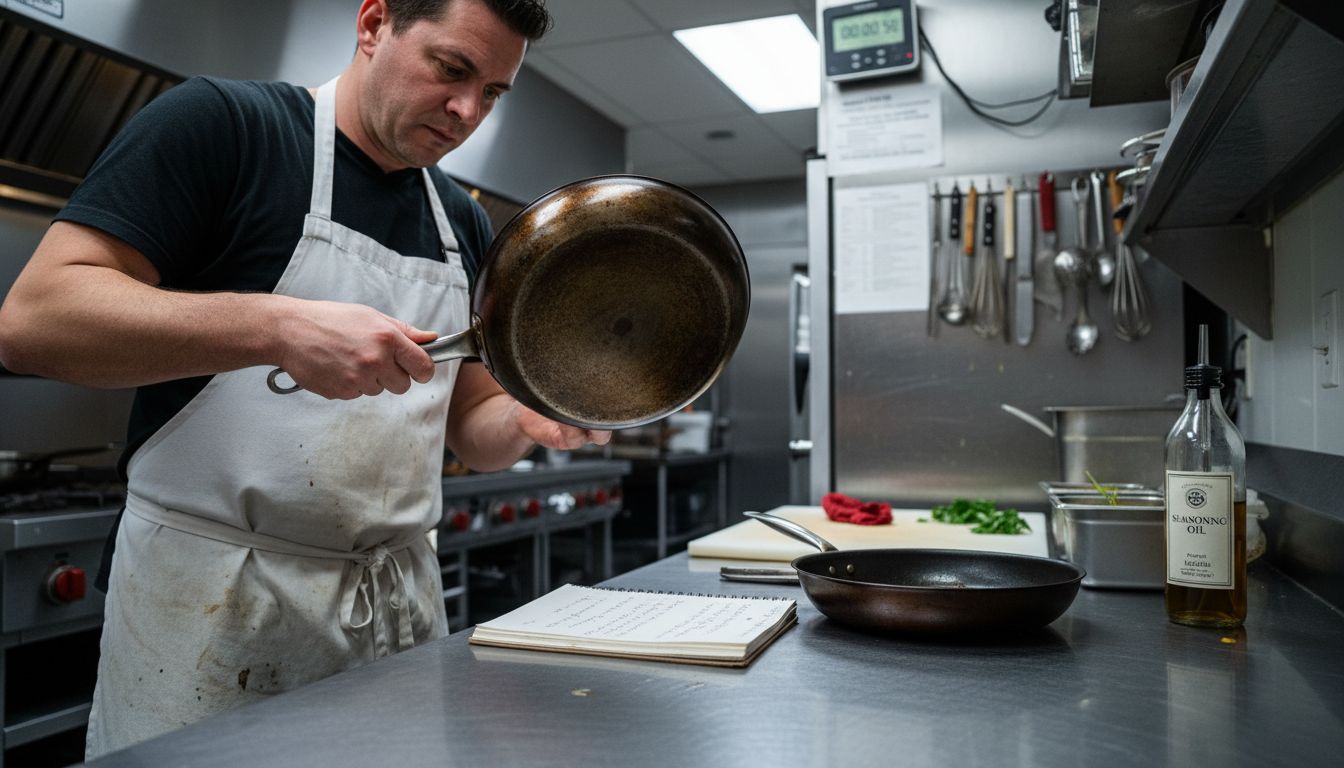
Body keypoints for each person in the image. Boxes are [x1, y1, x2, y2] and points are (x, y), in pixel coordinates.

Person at [0, 0, 609, 757]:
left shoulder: (465, 225)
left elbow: (474, 428)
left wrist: (529, 419)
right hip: (215, 608)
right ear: (374, 23)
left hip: (397, 609)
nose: (465, 111)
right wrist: (276, 328)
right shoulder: (228, 128)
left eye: (491, 93)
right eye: (452, 70)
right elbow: (32, 324)